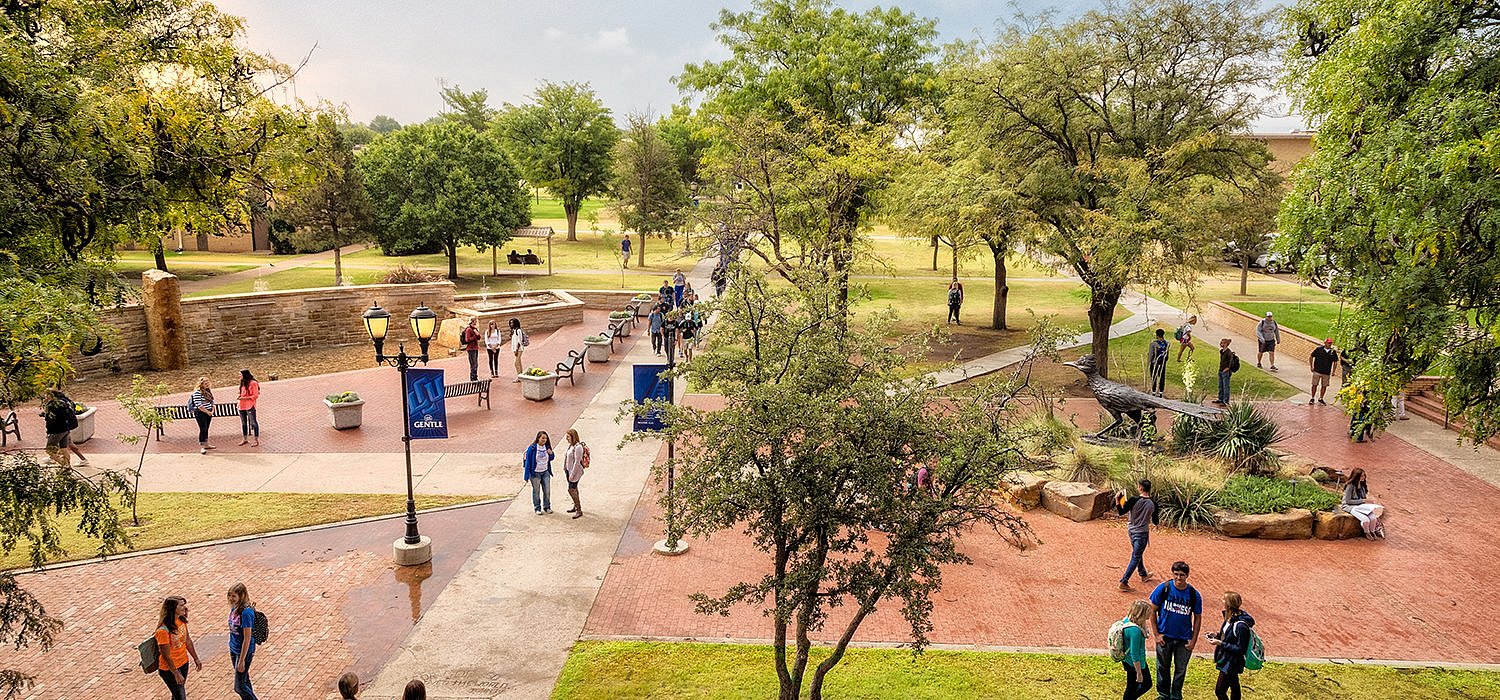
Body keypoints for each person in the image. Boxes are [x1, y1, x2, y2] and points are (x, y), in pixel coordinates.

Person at [1149, 561, 1202, 700]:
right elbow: (1151, 611)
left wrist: (1193, 640)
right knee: (1162, 667)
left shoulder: (1193, 594)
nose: (1179, 578)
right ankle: (1163, 694)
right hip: (1164, 637)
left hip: (1184, 639)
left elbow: (1197, 618)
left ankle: (1176, 695)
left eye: (1182, 575)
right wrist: (1156, 634)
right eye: (1176, 574)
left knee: (1181, 669)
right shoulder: (1163, 588)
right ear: (1172, 574)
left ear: (1187, 575)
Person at [1206, 591, 1255, 700]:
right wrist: (1217, 635)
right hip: (1226, 659)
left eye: (1224, 600)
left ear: (1228, 604)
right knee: (1234, 687)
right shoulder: (1229, 618)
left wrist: (1220, 643)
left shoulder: (1241, 626)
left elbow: (1240, 649)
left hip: (1231, 662)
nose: (1222, 601)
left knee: (1219, 691)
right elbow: (1228, 635)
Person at [155, 596, 202, 700]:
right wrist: (176, 673)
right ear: (173, 609)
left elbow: (188, 641)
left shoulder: (181, 621)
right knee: (180, 696)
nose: (184, 608)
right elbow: (166, 655)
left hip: (183, 663)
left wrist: (196, 658)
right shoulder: (163, 631)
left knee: (177, 695)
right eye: (181, 605)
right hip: (169, 670)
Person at [1116, 479, 1158, 592]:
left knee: (1137, 553)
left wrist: (1117, 500)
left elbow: (1121, 512)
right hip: (1142, 532)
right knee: (1136, 556)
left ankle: (1143, 574)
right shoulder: (1153, 503)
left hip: (1131, 530)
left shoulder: (1133, 500)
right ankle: (1124, 582)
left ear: (1140, 488)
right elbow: (1155, 521)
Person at [226, 582, 259, 700]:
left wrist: (242, 660)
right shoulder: (235, 607)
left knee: (239, 687)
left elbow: (247, 638)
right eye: (229, 595)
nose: (231, 598)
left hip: (243, 651)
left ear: (242, 595)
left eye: (234, 596)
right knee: (244, 681)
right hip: (234, 649)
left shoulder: (246, 613)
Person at [1120, 599, 1154, 700]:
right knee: (1144, 684)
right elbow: (1134, 654)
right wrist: (1139, 673)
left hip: (1128, 661)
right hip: (1135, 664)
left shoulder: (1127, 620)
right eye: (1147, 614)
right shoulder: (1135, 631)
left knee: (1132, 687)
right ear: (1141, 614)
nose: (1149, 616)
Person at [42, 388, 85, 467]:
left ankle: (64, 464)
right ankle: (67, 466)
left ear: (51, 395)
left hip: (57, 430)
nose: (44, 396)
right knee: (63, 448)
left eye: (46, 394)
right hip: (66, 429)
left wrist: (49, 432)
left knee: (49, 450)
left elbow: (51, 420)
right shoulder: (64, 401)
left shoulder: (52, 405)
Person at [1341, 467, 1386, 539]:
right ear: (1357, 476)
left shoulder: (1362, 486)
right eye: (1362, 476)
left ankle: (1372, 531)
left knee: (1373, 518)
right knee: (1365, 520)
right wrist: (1363, 501)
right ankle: (1367, 533)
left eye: (1364, 475)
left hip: (1360, 506)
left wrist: (1368, 503)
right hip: (1350, 506)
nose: (1364, 477)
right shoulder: (1350, 486)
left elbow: (1364, 498)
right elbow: (1348, 501)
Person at [523, 431, 555, 514]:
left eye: (546, 438)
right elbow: (528, 462)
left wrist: (551, 454)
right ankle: (537, 508)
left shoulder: (547, 447)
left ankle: (547, 507)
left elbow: (551, 458)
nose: (544, 440)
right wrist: (526, 476)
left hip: (545, 472)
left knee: (547, 491)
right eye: (543, 438)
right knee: (536, 492)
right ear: (538, 438)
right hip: (535, 473)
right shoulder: (532, 448)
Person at [563, 428, 587, 519]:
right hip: (568, 471)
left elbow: (577, 462)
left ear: (573, 437)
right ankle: (575, 506)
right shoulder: (571, 446)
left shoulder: (578, 447)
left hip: (574, 473)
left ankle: (579, 509)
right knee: (574, 488)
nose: (567, 438)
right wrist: (565, 468)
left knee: (571, 489)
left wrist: (572, 475)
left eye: (568, 437)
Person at [190, 377, 216, 454]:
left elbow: (212, 401)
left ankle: (206, 444)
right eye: (205, 383)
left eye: (208, 383)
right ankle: (202, 446)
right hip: (200, 413)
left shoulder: (208, 391)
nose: (207, 385)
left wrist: (212, 410)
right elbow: (199, 405)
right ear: (201, 385)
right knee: (203, 428)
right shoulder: (197, 393)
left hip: (209, 412)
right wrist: (207, 412)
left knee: (206, 428)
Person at [1308, 338, 1338, 405]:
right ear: (1325, 343)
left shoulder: (1333, 352)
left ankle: (1321, 398)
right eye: (1328, 343)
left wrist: (1333, 371)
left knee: (1324, 386)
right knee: (1314, 384)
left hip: (1326, 372)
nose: (1329, 344)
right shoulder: (1319, 349)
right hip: (1317, 370)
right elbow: (1311, 356)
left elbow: (1335, 361)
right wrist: (1311, 366)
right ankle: (1312, 398)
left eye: (1330, 343)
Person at [237, 369, 260, 447]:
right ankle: (245, 438)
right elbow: (241, 393)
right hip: (241, 406)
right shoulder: (242, 383)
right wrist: (239, 397)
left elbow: (255, 395)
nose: (239, 376)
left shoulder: (253, 383)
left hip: (250, 405)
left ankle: (256, 440)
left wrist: (245, 398)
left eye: (240, 374)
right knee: (244, 423)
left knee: (253, 422)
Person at [1147, 329, 1170, 397]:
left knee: (1154, 376)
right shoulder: (1167, 343)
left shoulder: (1153, 343)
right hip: (1162, 363)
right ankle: (1161, 392)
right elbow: (1167, 355)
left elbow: (1151, 354)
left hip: (1154, 363)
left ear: (1157, 335)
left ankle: (1153, 392)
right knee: (1162, 377)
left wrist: (1149, 362)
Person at [1215, 338, 1236, 405]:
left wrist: (1228, 368)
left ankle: (1225, 401)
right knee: (1220, 385)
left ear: (1226, 344)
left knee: (1226, 386)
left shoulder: (1228, 352)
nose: (1221, 344)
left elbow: (1230, 361)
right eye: (1221, 343)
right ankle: (1220, 398)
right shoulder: (1222, 351)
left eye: (1223, 343)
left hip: (1226, 371)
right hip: (1221, 370)